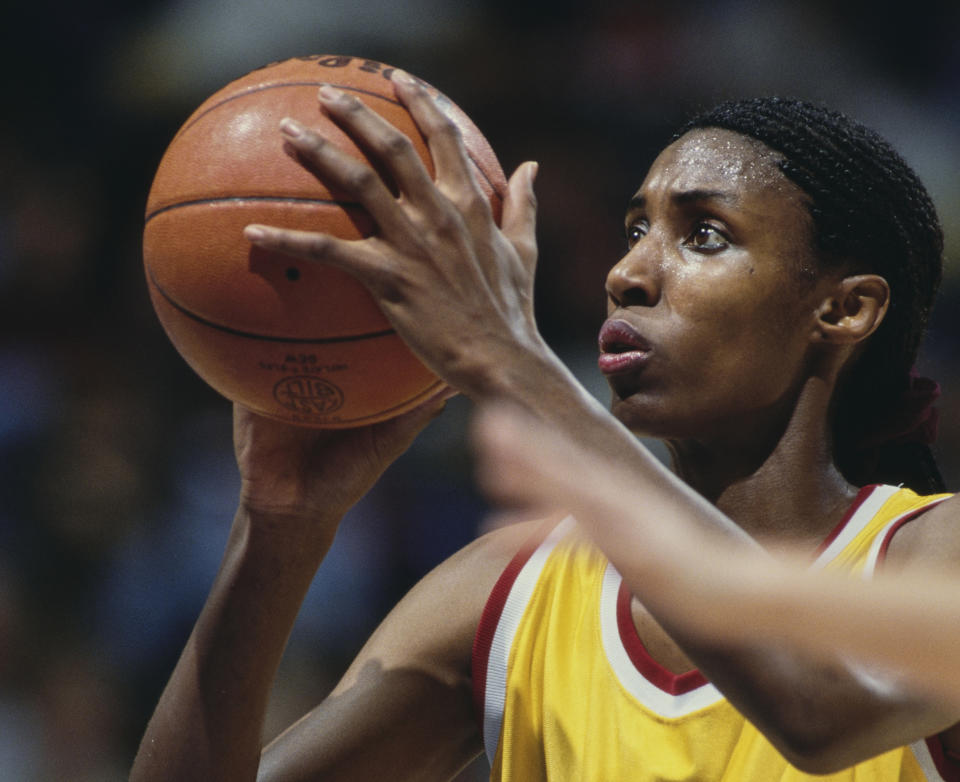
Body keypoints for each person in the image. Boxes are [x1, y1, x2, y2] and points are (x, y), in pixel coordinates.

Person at [130, 70, 959, 781]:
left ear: (844, 308)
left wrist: (510, 363)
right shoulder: (511, 589)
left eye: (704, 236)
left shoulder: (932, 554)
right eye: (636, 230)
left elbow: (819, 707)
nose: (629, 272)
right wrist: (278, 525)